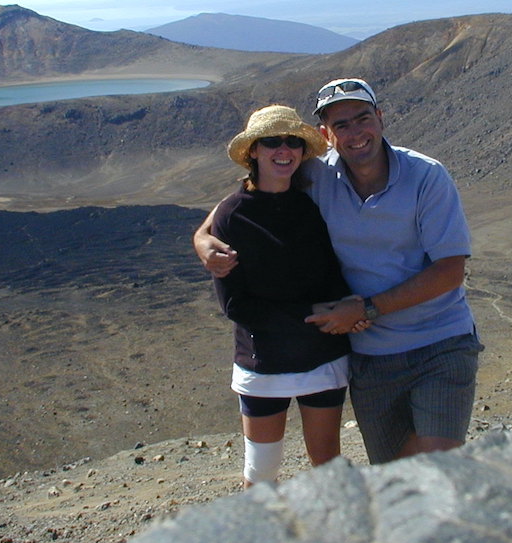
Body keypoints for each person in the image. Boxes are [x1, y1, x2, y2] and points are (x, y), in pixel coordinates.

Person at [195, 78, 481, 465]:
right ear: (326, 134)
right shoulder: (318, 176)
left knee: (438, 464)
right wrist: (202, 235)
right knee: (393, 473)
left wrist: (366, 309)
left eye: (362, 118)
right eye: (341, 125)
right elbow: (249, 196)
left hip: (439, 343)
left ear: (380, 118)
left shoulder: (426, 177)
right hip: (370, 354)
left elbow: (450, 271)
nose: (355, 132)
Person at [211, 105, 353, 488]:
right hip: (263, 363)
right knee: (261, 474)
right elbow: (235, 304)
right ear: (253, 151)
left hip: (322, 359)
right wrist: (315, 313)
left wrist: (352, 308)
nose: (283, 150)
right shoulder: (231, 215)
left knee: (327, 466)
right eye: (272, 141)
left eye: (292, 142)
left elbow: (332, 273)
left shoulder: (312, 206)